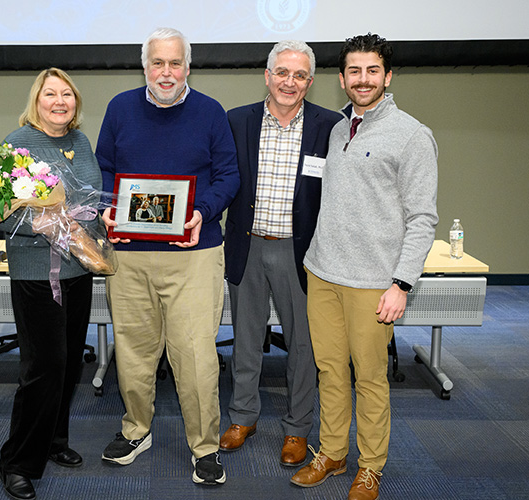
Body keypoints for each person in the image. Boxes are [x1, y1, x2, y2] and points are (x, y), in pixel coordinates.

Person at [291, 33, 438, 500]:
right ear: (341, 79)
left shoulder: (413, 135)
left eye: (372, 70)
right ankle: (333, 453)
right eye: (354, 71)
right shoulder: (337, 129)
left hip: (374, 283)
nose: (363, 79)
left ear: (388, 76)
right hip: (322, 272)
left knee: (370, 378)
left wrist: (401, 283)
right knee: (329, 370)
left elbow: (423, 218)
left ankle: (371, 465)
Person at [96, 27, 239, 486]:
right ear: (145, 67)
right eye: (157, 63)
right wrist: (105, 209)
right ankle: (136, 430)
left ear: (187, 67)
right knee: (134, 352)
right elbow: (103, 168)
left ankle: (205, 447)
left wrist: (201, 211)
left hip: (194, 253)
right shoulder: (120, 109)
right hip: (130, 255)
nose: (166, 72)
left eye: (174, 63)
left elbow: (228, 176)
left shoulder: (211, 113)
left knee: (196, 356)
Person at [0, 68, 103, 500]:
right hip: (36, 275)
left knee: (69, 365)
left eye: (67, 94)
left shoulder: (82, 142)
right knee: (43, 368)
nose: (59, 101)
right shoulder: (15, 145)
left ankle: (54, 440)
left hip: (78, 270)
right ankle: (16, 461)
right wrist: (43, 223)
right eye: (50, 94)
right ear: (37, 101)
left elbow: (91, 197)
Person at [221, 41, 341, 467]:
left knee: (304, 347)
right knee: (246, 341)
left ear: (310, 81)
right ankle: (243, 417)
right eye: (282, 73)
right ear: (267, 75)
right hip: (247, 244)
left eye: (300, 75)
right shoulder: (236, 121)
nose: (290, 82)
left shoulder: (332, 125)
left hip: (303, 252)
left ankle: (297, 429)